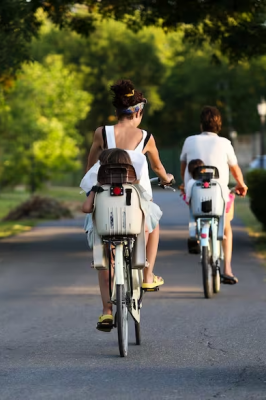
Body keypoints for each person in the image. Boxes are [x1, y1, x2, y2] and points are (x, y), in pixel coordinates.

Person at [83, 79, 174, 331]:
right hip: (134, 205)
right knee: (152, 225)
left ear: (117, 112)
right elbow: (158, 168)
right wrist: (167, 179)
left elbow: (91, 165)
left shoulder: (101, 133)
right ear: (138, 112)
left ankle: (106, 311)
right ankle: (147, 276)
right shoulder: (146, 137)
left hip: (104, 203)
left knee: (104, 252)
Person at [180, 106, 248, 284]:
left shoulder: (189, 141)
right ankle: (227, 269)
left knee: (195, 212)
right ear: (219, 124)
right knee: (226, 226)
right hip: (220, 195)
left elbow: (183, 169)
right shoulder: (225, 143)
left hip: (194, 192)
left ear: (201, 124)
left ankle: (194, 233)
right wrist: (241, 185)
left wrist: (184, 184)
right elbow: (235, 169)